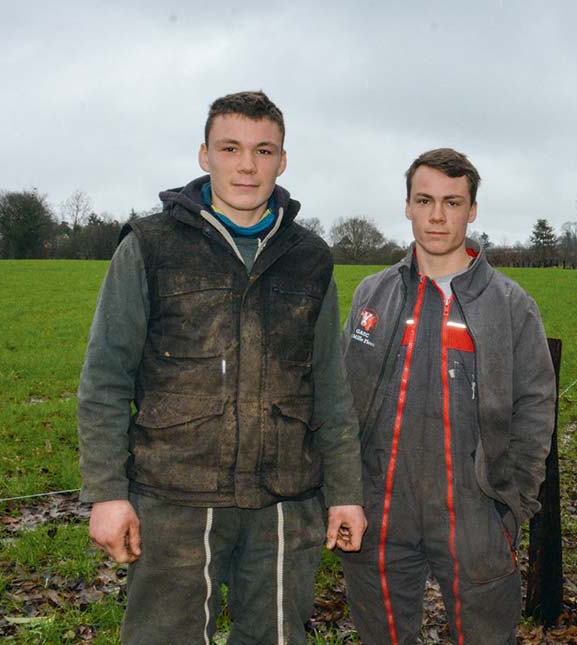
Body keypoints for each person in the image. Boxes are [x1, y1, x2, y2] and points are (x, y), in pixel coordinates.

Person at [77, 90, 366, 644]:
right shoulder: (150, 246)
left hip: (286, 501)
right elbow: (105, 379)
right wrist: (107, 493)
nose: (247, 165)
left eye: (263, 150)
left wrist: (346, 492)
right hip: (175, 496)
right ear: (204, 155)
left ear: (282, 161)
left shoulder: (310, 258)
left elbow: (331, 386)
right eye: (230, 148)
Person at [341, 148, 556, 643]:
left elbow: (535, 408)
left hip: (474, 511)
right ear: (408, 205)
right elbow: (341, 400)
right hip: (382, 512)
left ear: (472, 210)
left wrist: (513, 505)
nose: (437, 216)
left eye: (452, 203)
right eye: (425, 200)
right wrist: (344, 492)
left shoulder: (509, 305)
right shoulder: (372, 295)